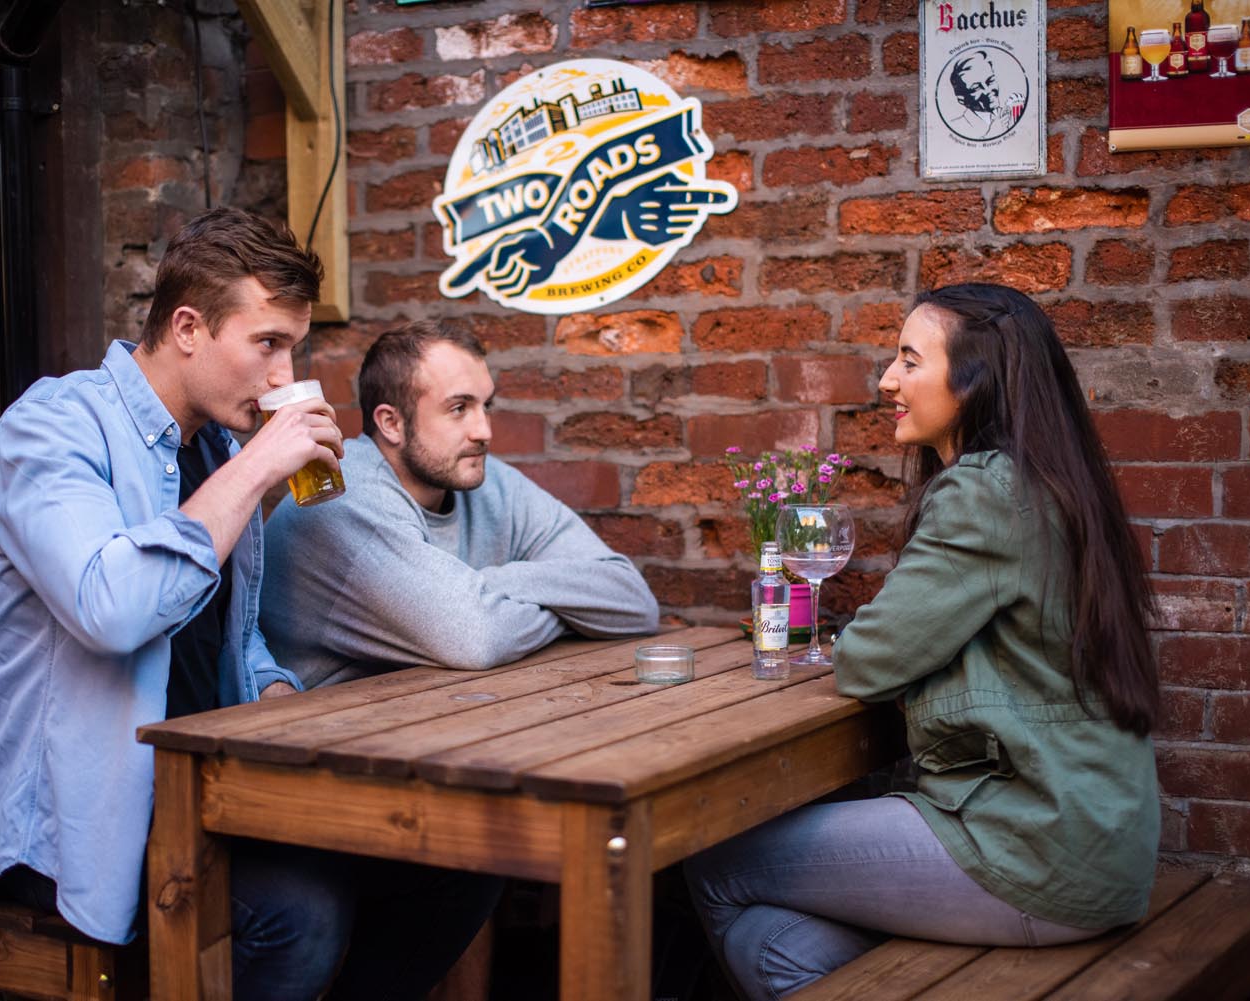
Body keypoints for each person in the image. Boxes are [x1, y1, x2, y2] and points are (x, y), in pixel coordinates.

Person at [0, 208, 493, 1001]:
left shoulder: (211, 447)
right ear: (187, 327)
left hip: (202, 798)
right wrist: (255, 474)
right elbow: (111, 610)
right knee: (298, 912)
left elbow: (226, 640)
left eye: (294, 348)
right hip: (74, 827)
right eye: (268, 344)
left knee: (457, 868)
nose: (285, 376)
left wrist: (278, 692)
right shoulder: (51, 428)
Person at [684, 283, 1161, 999]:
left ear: (976, 381)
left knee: (712, 858)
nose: (887, 380)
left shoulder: (983, 493)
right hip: (1090, 840)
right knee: (769, 943)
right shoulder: (1050, 482)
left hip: (1033, 844)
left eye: (910, 359)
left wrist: (851, 638)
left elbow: (870, 659)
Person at [260, 320, 661, 689]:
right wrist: (570, 611)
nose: (483, 430)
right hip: (310, 741)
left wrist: (492, 584)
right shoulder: (346, 499)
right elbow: (477, 637)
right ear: (391, 424)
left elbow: (632, 601)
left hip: (437, 719)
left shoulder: (484, 478)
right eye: (459, 409)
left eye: (486, 406)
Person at [945, 51, 1014, 140]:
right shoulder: (956, 127)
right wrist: (994, 132)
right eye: (976, 88)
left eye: (990, 81)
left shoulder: (1011, 115)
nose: (988, 91)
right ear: (961, 99)